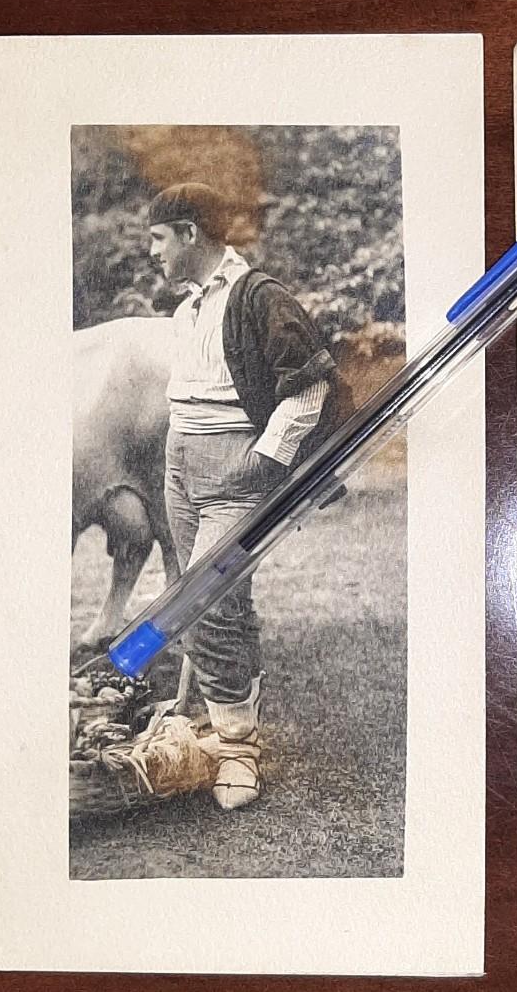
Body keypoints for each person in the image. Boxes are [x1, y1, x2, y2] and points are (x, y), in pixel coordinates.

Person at [146, 182, 338, 809]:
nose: (153, 254)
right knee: (206, 598)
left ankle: (237, 753)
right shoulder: (187, 308)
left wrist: (266, 460)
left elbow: (310, 388)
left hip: (237, 466)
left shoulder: (259, 296)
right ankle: (220, 719)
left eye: (157, 239)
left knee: (207, 601)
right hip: (181, 467)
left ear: (189, 234)